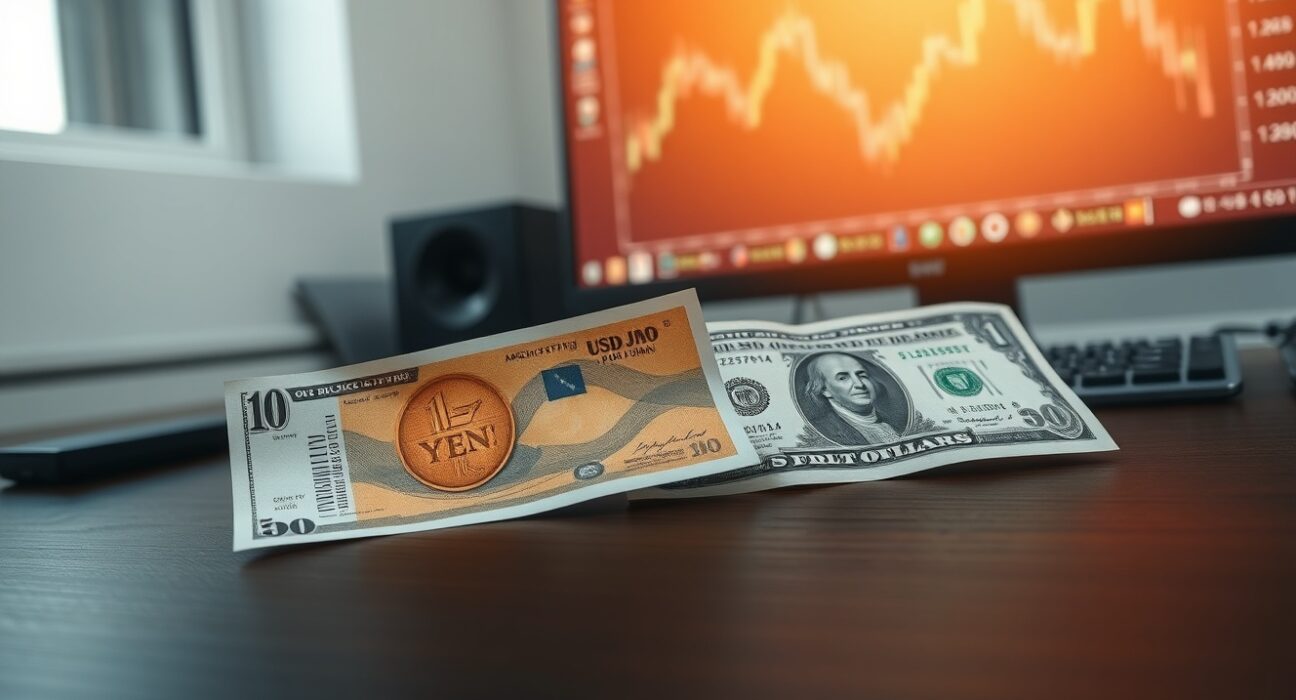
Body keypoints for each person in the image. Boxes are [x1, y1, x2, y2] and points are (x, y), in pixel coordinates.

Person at [802, 353, 903, 445]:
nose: (860, 384)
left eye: (862, 375)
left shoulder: (891, 421)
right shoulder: (824, 429)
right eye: (843, 378)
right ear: (824, 390)